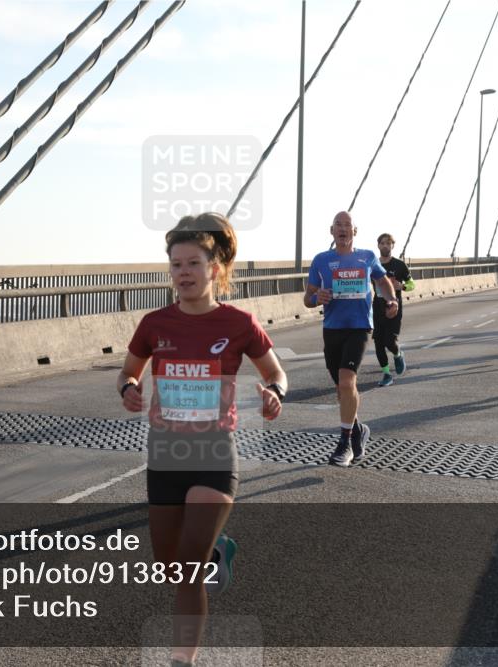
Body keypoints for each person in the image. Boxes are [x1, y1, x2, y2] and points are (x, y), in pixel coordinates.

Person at [118, 212, 287, 667]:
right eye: (176, 264)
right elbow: (128, 372)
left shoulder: (238, 324)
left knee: (188, 572)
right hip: (166, 456)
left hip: (215, 454)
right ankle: (219, 549)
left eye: (192, 263)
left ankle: (181, 661)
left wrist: (274, 393)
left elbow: (275, 372)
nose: (183, 273)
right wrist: (129, 390)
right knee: (169, 568)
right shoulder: (155, 324)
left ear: (214, 268)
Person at [304, 211, 398, 466]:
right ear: (331, 231)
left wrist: (391, 299)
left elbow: (383, 281)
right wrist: (317, 299)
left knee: (347, 382)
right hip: (332, 329)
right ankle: (358, 430)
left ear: (355, 231)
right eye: (338, 225)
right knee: (341, 389)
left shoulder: (366, 257)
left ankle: (344, 444)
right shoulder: (321, 260)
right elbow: (308, 298)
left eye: (348, 225)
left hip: (359, 327)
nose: (343, 229)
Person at [372, 233, 415, 387]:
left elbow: (412, 285)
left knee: (389, 341)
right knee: (378, 343)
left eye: (388, 243)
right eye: (382, 243)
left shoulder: (399, 265)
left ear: (392, 246)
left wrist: (402, 286)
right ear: (378, 245)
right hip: (377, 307)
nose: (385, 246)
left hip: (394, 308)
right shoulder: (373, 264)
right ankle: (386, 374)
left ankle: (397, 354)